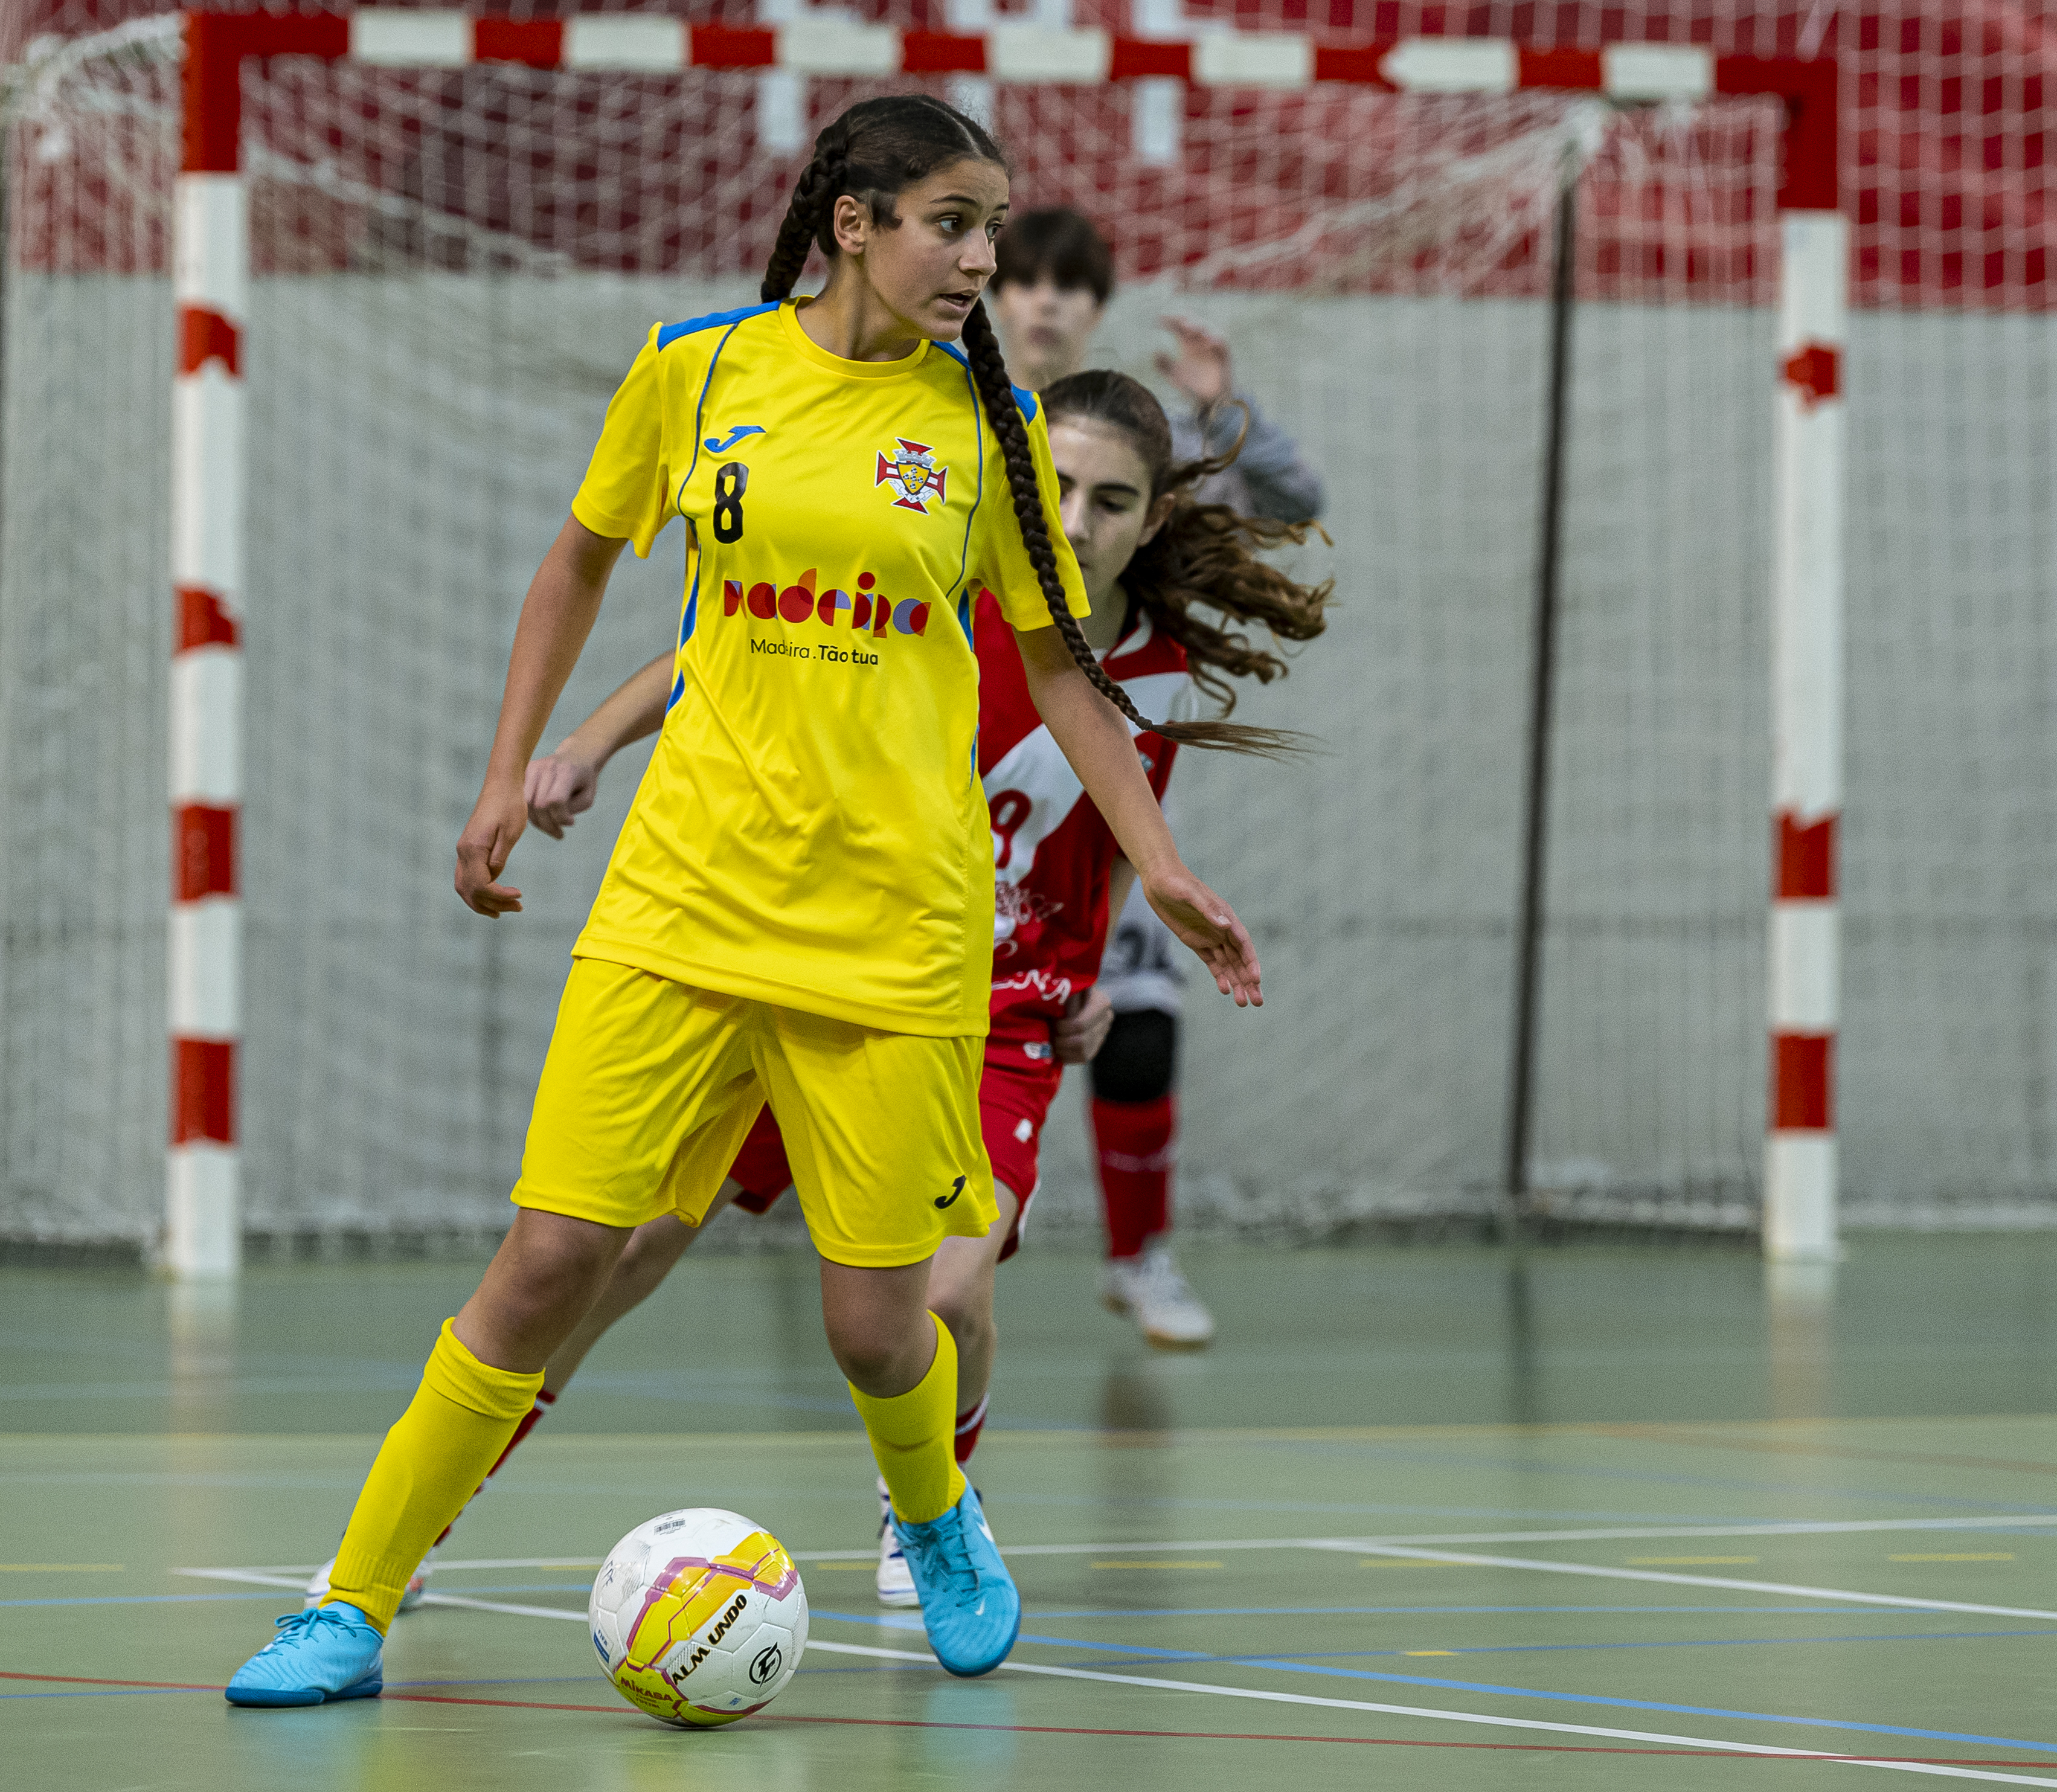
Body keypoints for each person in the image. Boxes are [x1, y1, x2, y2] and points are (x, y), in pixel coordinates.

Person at [223, 93, 1274, 1710]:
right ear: (851, 221)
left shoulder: (986, 431)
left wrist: (1161, 863)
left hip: (894, 929)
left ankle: (931, 1512)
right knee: (550, 1261)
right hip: (680, 902)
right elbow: (577, 562)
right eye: (950, 222)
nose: (980, 258)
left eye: (991, 227)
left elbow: (1061, 665)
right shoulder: (697, 369)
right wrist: (514, 769)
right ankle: (350, 1603)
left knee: (878, 1332)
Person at [455, 367, 1327, 1610]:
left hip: (992, 1008)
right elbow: (717, 650)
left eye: (1111, 500)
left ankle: (924, 1511)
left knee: (949, 1285)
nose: (1074, 518)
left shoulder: (1156, 673)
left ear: (1150, 521)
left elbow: (1110, 845)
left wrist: (1092, 972)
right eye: (1057, 485)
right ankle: (443, 1505)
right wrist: (587, 742)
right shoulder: (940, 589)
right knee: (618, 1250)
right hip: (815, 957)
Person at [990, 207, 1327, 1347]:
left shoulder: (1133, 447)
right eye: (1023, 282)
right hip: (947, 793)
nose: (1044, 305)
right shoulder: (944, 421)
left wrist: (1223, 409)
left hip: (1095, 806)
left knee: (1131, 1018)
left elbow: (1292, 504)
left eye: (1070, 289)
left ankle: (1141, 1259)